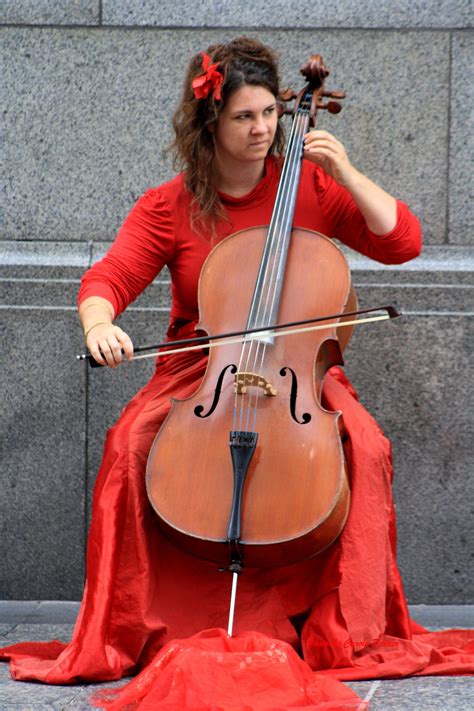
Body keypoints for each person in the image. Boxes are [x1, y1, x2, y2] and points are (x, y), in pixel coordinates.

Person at [2, 36, 472, 709]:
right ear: (209, 125)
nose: (261, 129)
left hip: (298, 376)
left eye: (268, 115)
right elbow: (108, 277)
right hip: (203, 370)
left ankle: (344, 628)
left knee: (364, 444)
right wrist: (98, 323)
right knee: (129, 446)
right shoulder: (171, 205)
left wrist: (349, 172)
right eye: (244, 118)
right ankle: (130, 623)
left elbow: (403, 243)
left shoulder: (309, 185)